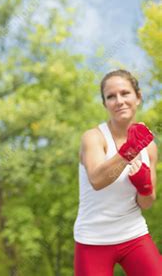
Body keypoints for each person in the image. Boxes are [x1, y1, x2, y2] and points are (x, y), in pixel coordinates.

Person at [73, 69, 161, 275]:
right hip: (93, 239)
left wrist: (144, 184)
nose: (119, 101)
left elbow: (147, 203)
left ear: (138, 97)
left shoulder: (149, 147)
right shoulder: (93, 138)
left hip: (134, 235)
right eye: (111, 97)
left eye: (125, 93)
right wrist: (129, 151)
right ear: (105, 104)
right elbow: (96, 179)